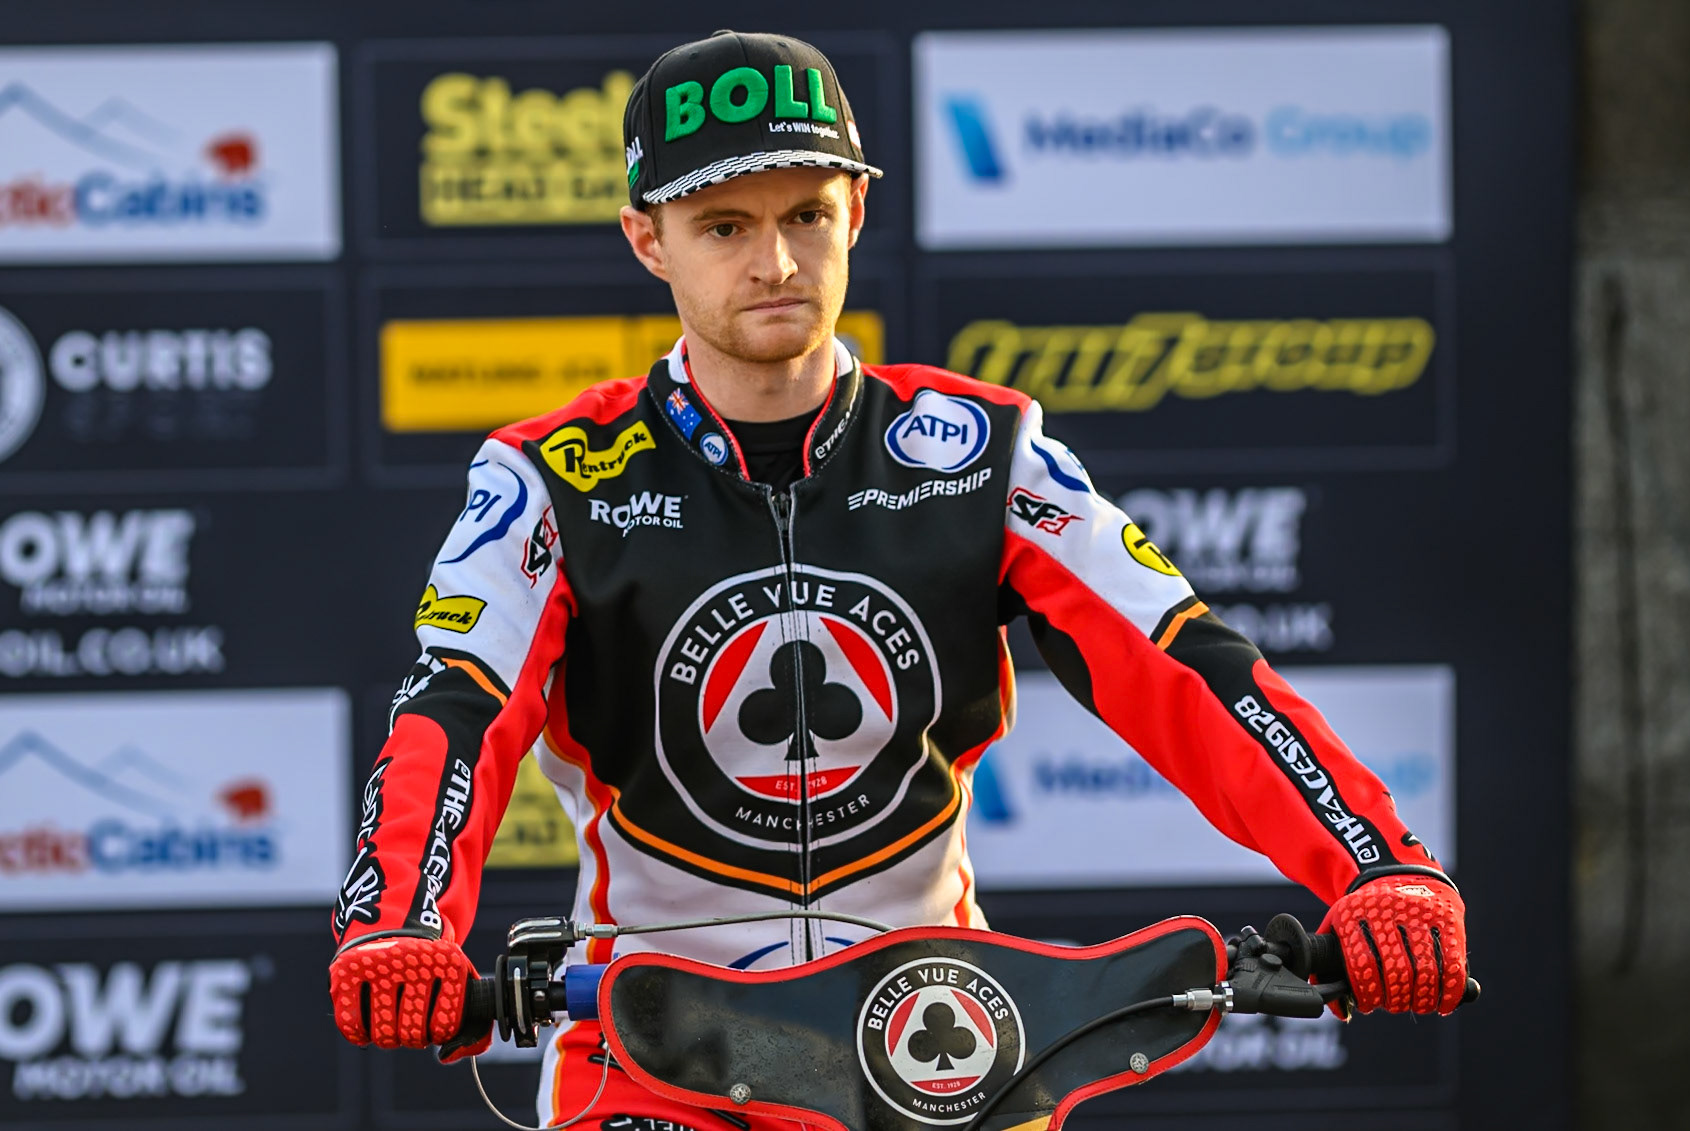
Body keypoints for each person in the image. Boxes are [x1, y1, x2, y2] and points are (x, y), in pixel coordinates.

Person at [328, 29, 1469, 1128]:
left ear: (856, 214)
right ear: (648, 240)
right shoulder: (551, 476)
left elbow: (1183, 664)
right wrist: (396, 923)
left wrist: (1380, 867)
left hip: (938, 1038)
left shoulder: (978, 450)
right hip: (653, 1044)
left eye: (807, 217)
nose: (775, 263)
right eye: (723, 225)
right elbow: (457, 709)